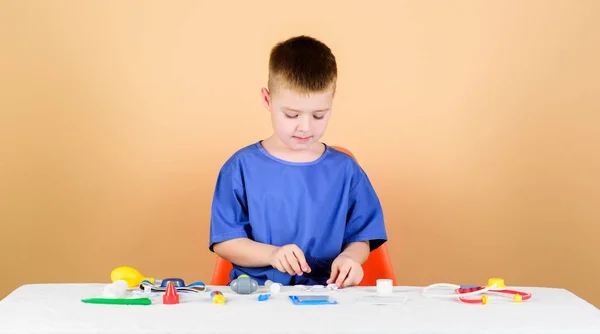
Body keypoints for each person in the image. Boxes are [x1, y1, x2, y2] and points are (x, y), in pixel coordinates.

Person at [208, 35, 387, 288]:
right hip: (257, 297)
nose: (305, 127)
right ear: (268, 100)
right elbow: (226, 241)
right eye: (292, 114)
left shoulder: (346, 170)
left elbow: (362, 238)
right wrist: (272, 255)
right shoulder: (240, 168)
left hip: (329, 298)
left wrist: (350, 258)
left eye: (318, 115)